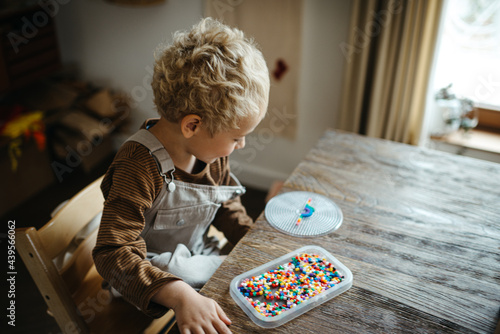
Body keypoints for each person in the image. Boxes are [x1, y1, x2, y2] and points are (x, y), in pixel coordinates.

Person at [92, 17, 269, 333]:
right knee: (220, 280)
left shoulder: (211, 154)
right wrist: (178, 293)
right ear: (192, 125)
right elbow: (112, 253)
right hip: (147, 274)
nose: (241, 145)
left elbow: (224, 203)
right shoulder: (138, 165)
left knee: (246, 279)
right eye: (236, 136)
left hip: (196, 254)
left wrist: (251, 241)